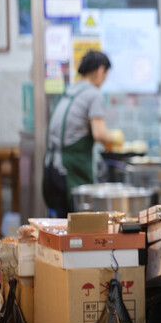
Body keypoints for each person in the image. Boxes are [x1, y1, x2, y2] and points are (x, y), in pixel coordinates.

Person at [43, 50, 114, 217]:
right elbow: (99, 133)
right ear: (100, 71)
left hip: (51, 168)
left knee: (60, 225)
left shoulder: (70, 92)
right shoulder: (93, 94)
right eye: (106, 75)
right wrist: (116, 139)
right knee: (80, 226)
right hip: (71, 172)